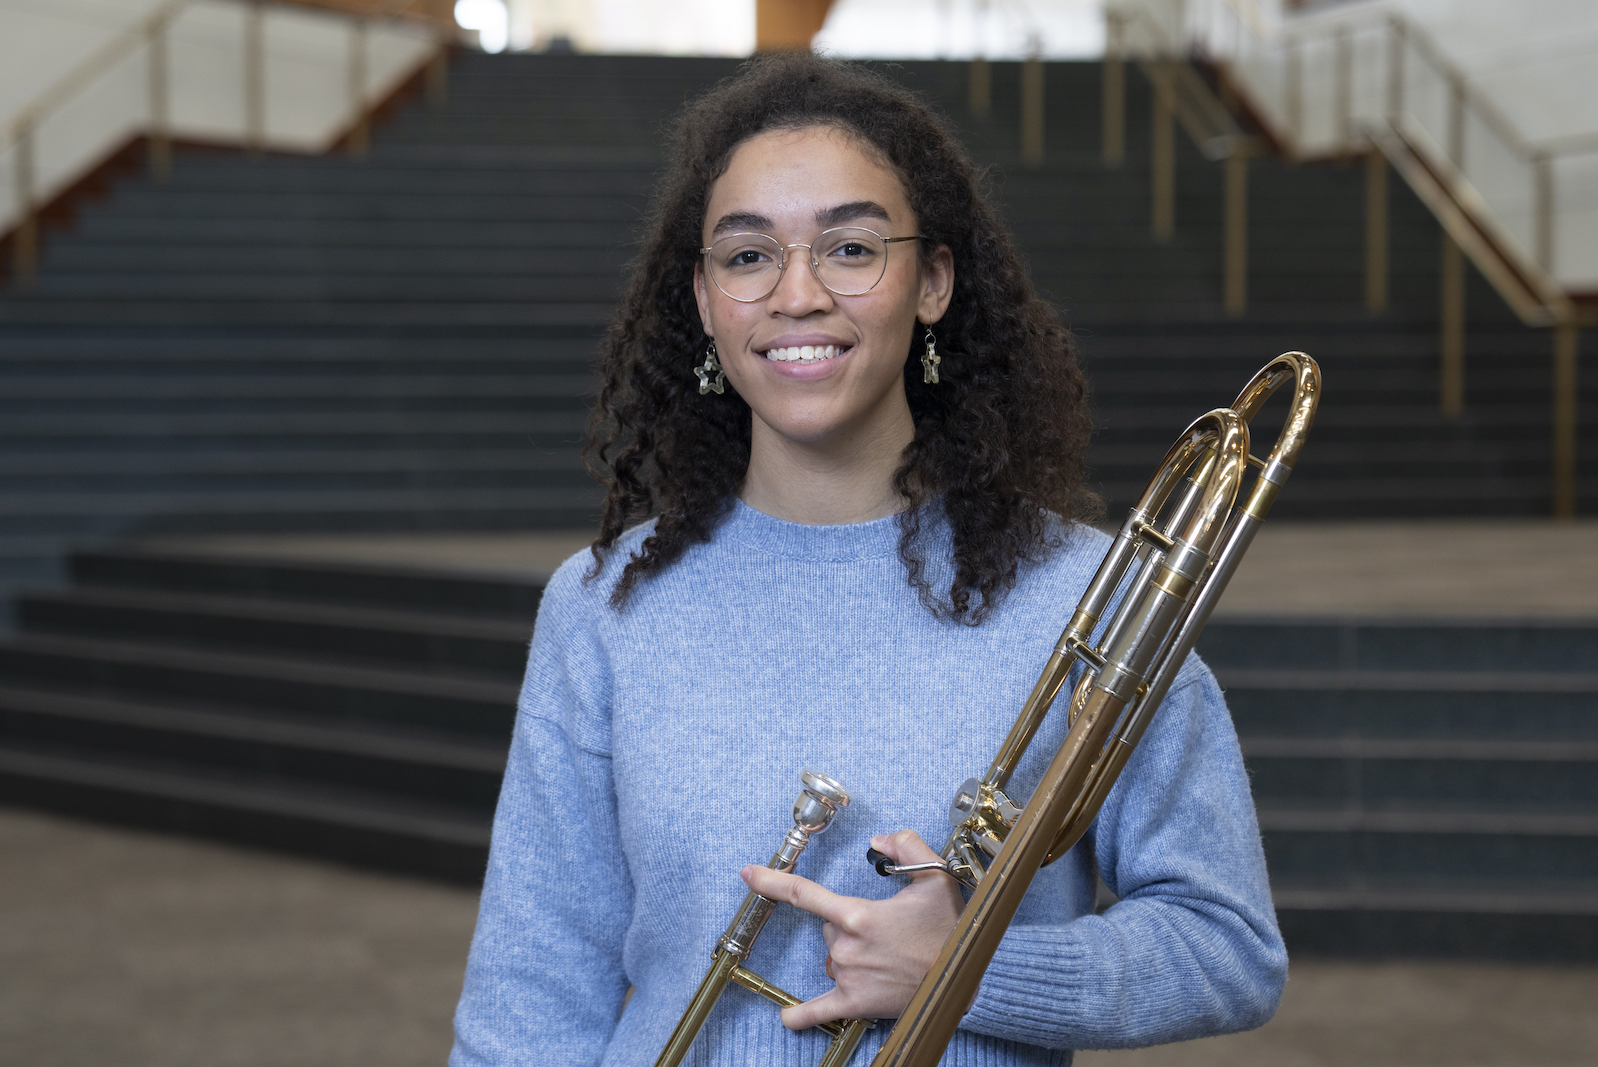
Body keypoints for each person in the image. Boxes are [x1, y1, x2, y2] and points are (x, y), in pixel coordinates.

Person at [450, 53, 1286, 1067]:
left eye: (850, 247)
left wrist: (969, 966)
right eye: (747, 255)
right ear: (705, 302)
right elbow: (529, 996)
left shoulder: (1093, 595)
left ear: (931, 282)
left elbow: (1227, 944)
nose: (797, 294)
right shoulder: (602, 605)